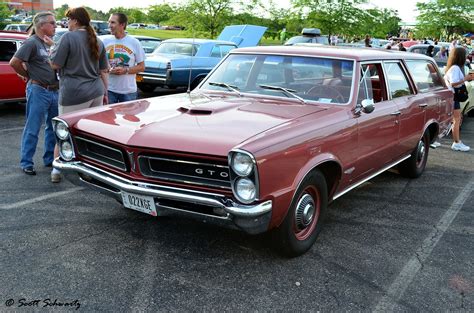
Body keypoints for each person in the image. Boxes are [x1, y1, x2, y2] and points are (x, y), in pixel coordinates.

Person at [50, 7, 109, 182]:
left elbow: (55, 64)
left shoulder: (68, 37)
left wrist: (50, 52)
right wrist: (106, 92)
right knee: (88, 134)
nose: (66, 23)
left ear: (75, 20)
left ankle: (56, 170)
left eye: (68, 20)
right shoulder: (98, 40)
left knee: (63, 131)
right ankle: (88, 170)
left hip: (74, 92)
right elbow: (104, 70)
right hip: (96, 90)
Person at [9, 11, 59, 176]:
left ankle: (49, 159)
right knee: (33, 127)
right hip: (38, 90)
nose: (55, 25)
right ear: (41, 25)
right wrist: (28, 76)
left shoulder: (49, 42)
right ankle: (26, 162)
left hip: (54, 90)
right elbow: (14, 62)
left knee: (53, 128)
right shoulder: (32, 43)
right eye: (52, 23)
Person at [101, 12, 145, 103]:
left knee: (127, 117)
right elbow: (99, 65)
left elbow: (142, 67)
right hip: (109, 90)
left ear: (122, 25)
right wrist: (108, 69)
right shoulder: (105, 42)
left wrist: (125, 70)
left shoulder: (134, 42)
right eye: (109, 22)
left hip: (128, 92)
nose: (109, 25)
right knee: (108, 117)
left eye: (113, 22)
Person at [443, 47, 473, 152]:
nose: (466, 57)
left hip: (451, 96)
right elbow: (453, 83)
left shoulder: (453, 67)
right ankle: (456, 143)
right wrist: (466, 78)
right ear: (461, 57)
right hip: (452, 96)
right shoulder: (455, 68)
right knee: (456, 120)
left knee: (455, 119)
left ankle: (457, 142)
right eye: (465, 55)